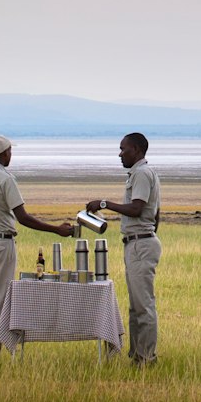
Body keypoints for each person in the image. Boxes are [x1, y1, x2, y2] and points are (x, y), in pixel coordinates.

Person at [0, 134, 80, 363]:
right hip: (1, 242)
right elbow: (23, 217)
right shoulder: (6, 179)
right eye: (10, 151)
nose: (11, 155)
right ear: (4, 153)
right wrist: (56, 229)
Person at [86, 132, 162, 366]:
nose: (120, 154)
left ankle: (146, 357)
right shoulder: (142, 173)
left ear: (137, 150)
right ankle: (137, 355)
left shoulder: (141, 173)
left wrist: (104, 204)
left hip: (140, 242)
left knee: (143, 306)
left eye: (124, 149)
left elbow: (137, 208)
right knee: (136, 305)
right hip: (139, 241)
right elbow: (156, 213)